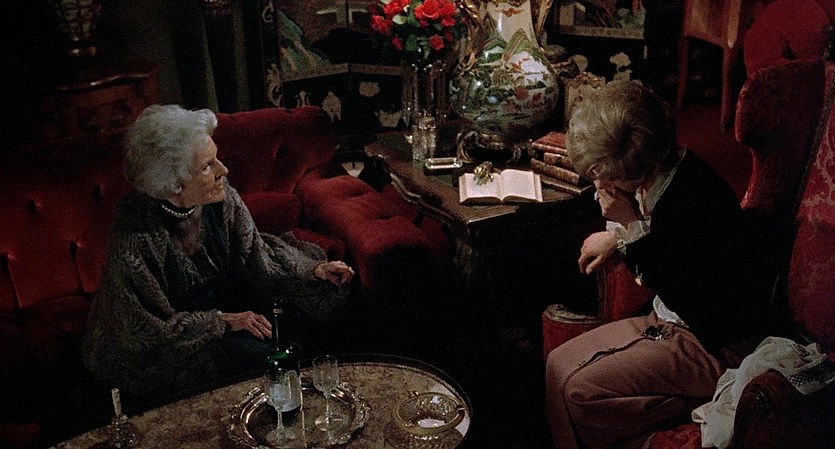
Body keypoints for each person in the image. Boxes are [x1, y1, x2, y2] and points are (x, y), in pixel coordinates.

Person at [545, 81, 775, 449]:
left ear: (636, 169)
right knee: (557, 365)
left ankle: (682, 411)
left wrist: (631, 227)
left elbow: (688, 291)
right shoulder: (660, 173)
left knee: (578, 391)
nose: (599, 182)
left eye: (603, 173)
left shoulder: (689, 197)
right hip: (672, 320)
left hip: (715, 342)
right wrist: (617, 236)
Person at [82, 104, 355, 399]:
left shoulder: (222, 199)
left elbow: (257, 256)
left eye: (216, 158)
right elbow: (149, 333)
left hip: (232, 302)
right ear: (173, 184)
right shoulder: (133, 238)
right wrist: (222, 321)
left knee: (329, 303)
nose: (223, 170)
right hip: (182, 341)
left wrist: (312, 270)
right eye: (206, 166)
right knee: (267, 360)